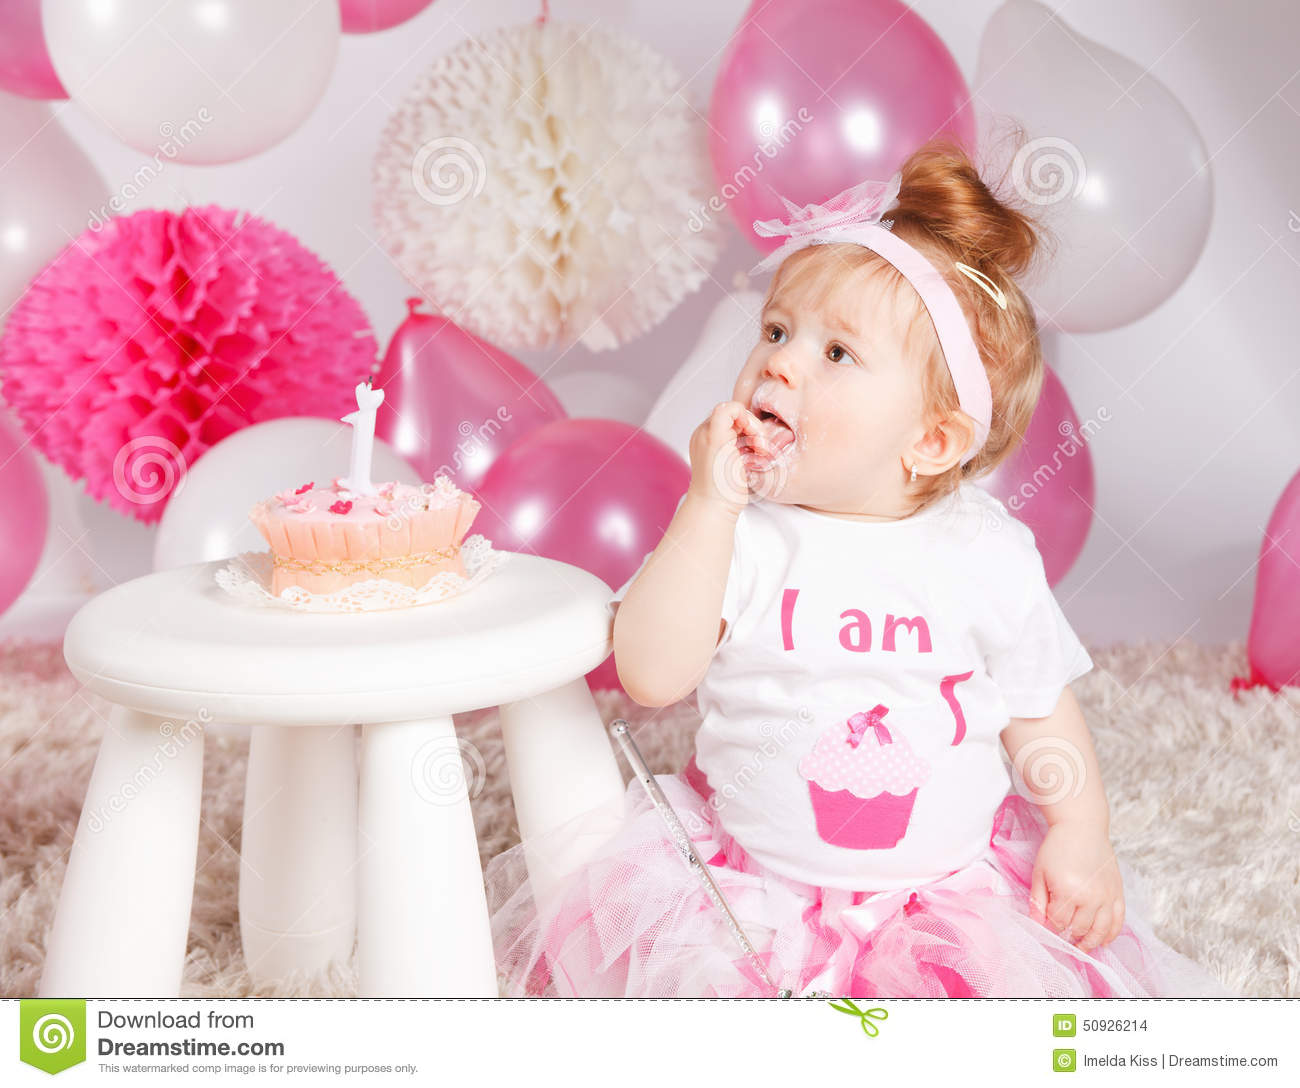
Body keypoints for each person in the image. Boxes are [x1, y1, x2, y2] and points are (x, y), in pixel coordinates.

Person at [483, 137, 1236, 998]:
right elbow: (650, 676)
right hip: (751, 897)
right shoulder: (743, 534)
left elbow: (1038, 707)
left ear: (930, 440)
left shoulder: (983, 552)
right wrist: (708, 507)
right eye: (776, 330)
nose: (779, 360)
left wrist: (1080, 830)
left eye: (835, 354)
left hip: (940, 897)